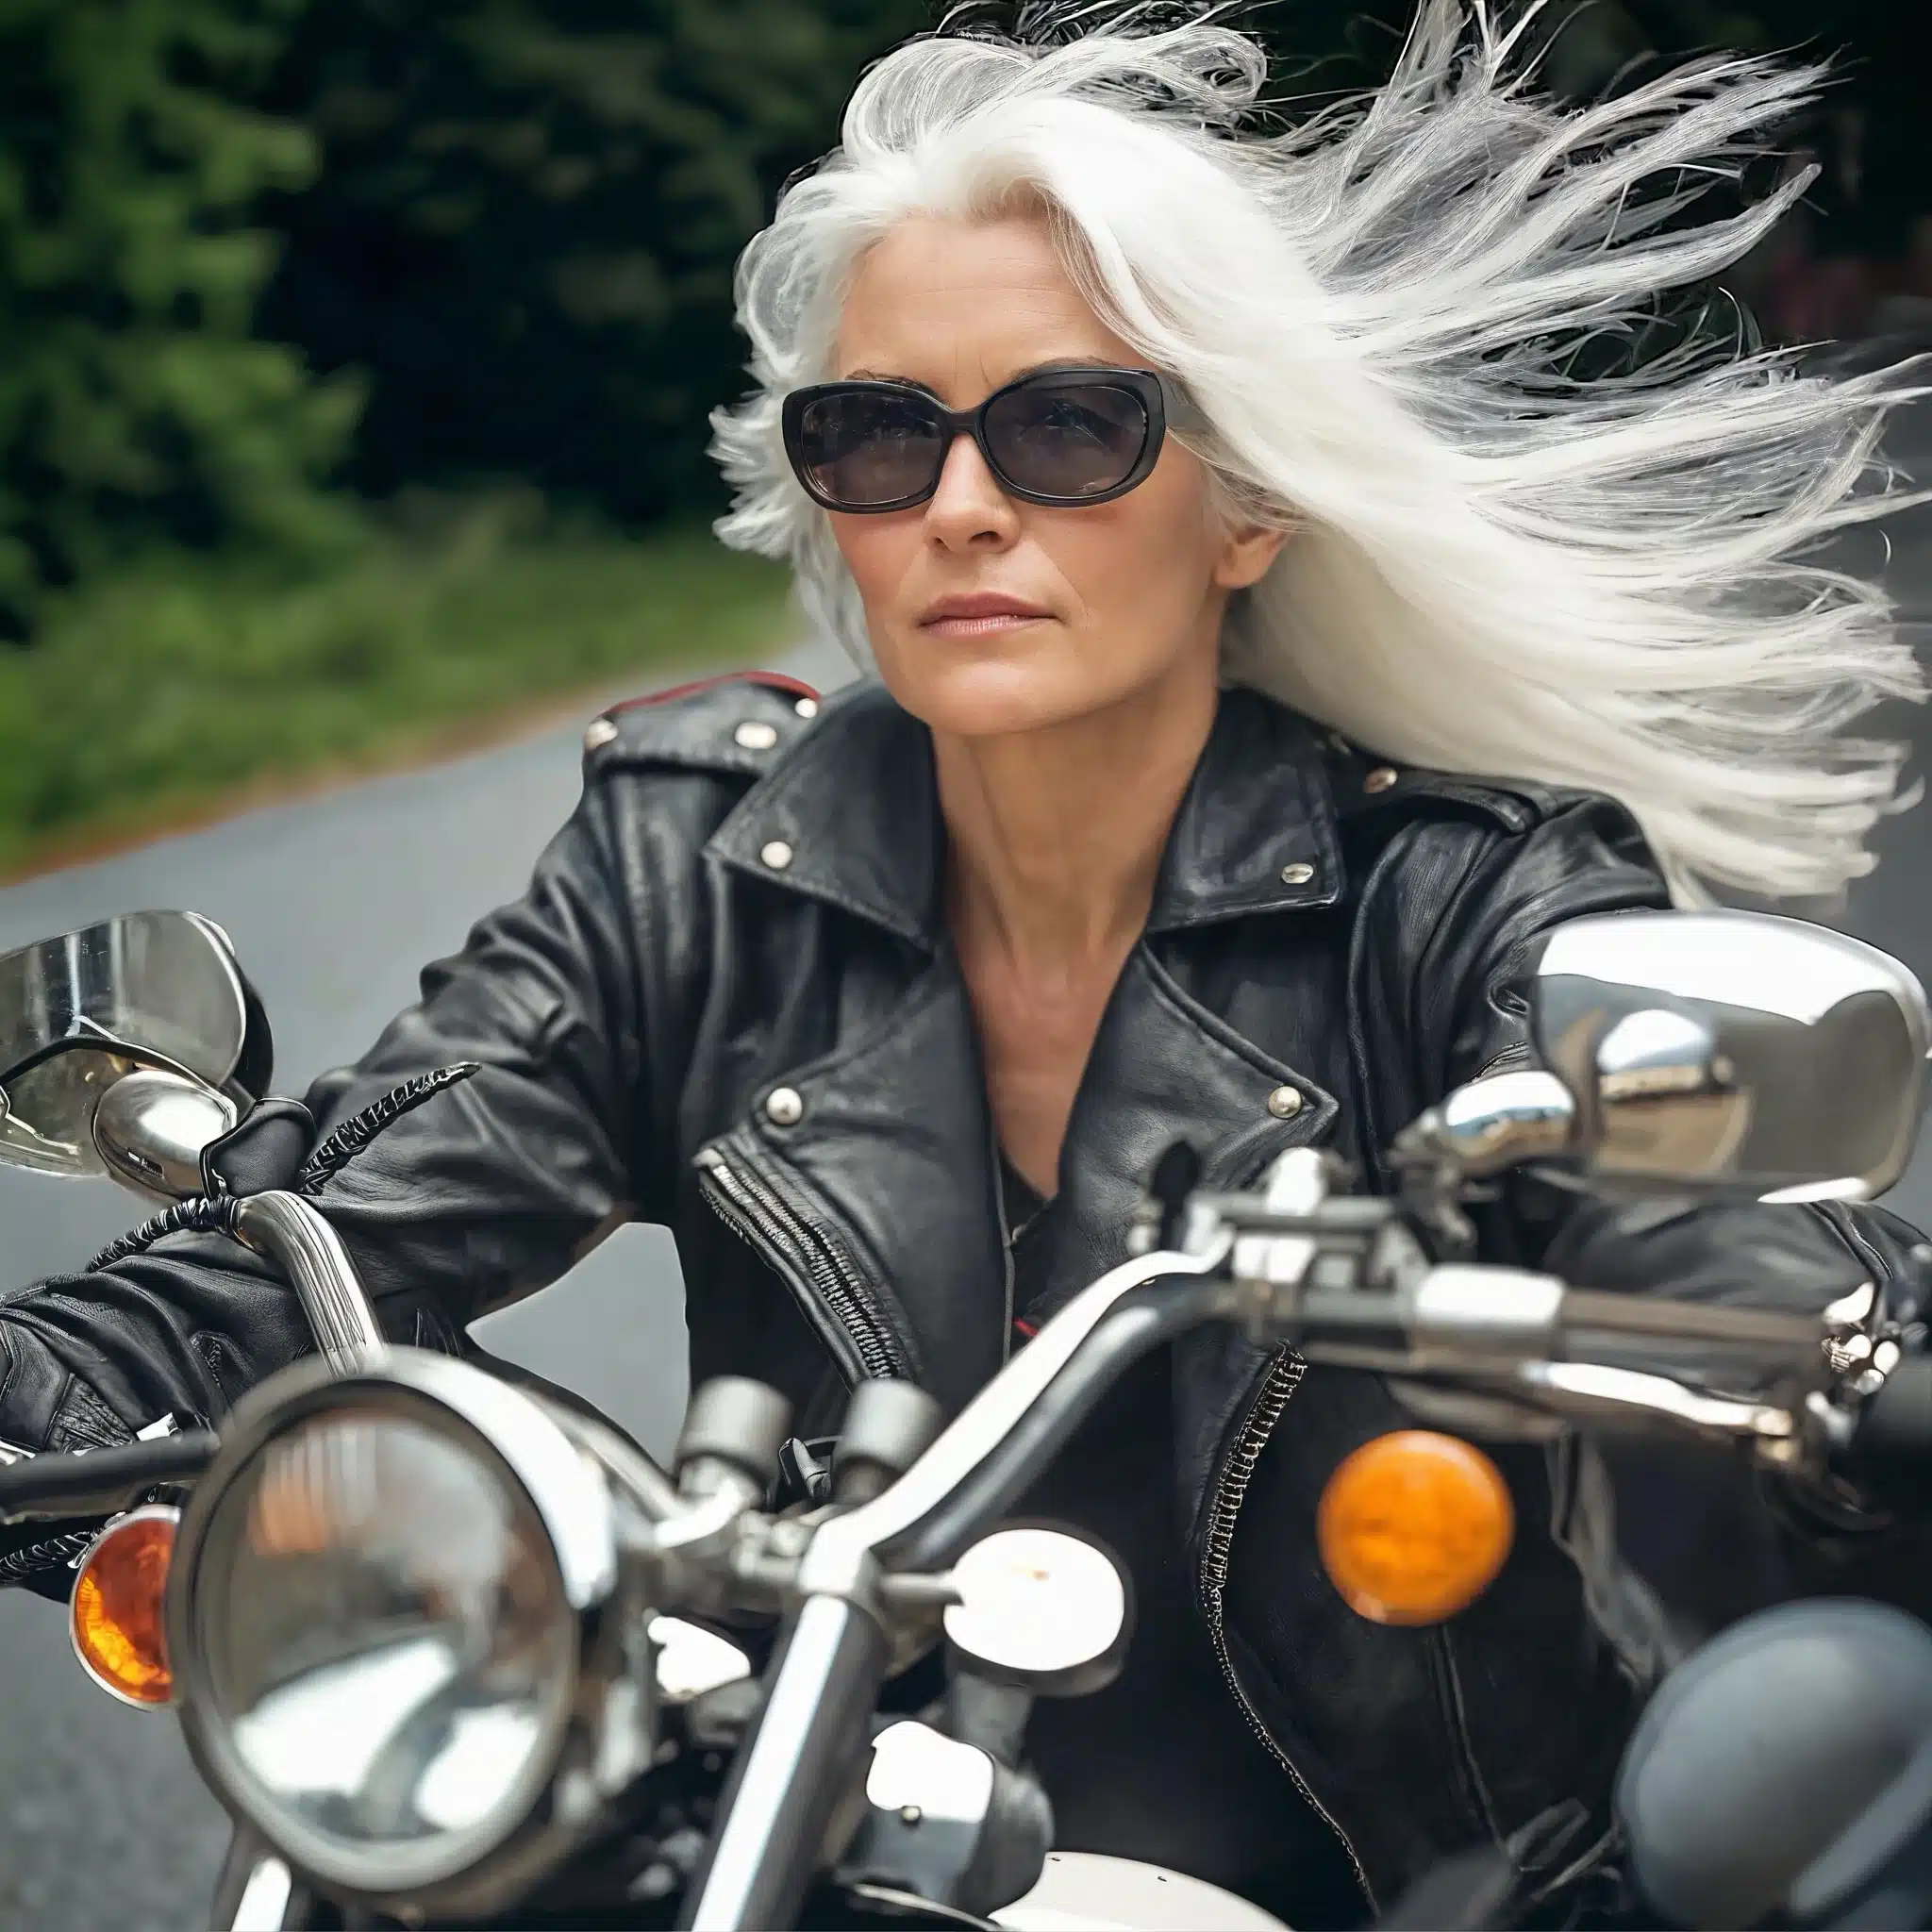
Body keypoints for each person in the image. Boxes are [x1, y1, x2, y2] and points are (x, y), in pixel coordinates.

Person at [1, 1, 1927, 1922]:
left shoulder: (1453, 904)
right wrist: (55, 1382)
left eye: (1069, 424)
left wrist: (1831, 1355)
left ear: (1242, 505)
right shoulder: (692, 872)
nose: (963, 503)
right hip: (805, 1837)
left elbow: (1730, 1261)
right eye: (878, 436)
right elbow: (344, 1225)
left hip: (1388, 1886)